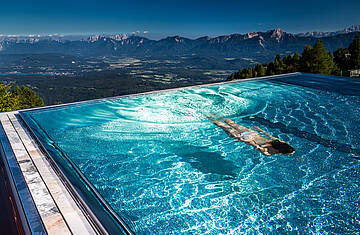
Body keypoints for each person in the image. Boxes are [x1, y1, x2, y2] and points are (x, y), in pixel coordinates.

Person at [207, 114, 295, 156]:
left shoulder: (279, 141)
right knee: (222, 125)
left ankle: (212, 113)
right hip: (247, 138)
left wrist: (259, 129)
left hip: (252, 133)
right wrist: (246, 141)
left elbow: (268, 135)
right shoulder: (269, 152)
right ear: (283, 152)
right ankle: (206, 116)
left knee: (231, 122)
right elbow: (256, 146)